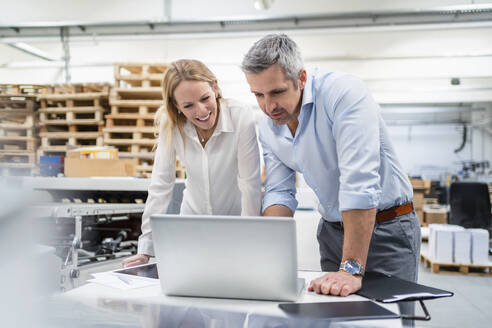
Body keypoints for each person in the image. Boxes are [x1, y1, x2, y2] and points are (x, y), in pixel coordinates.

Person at [241, 34, 421, 297]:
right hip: (332, 233)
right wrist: (267, 254)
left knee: (390, 320)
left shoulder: (343, 94)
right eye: (258, 95)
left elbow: (359, 182)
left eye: (277, 92)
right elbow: (279, 192)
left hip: (387, 230)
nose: (268, 106)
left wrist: (350, 268)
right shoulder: (269, 126)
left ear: (301, 78)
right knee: (337, 318)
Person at [123, 59, 262, 268]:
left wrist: (248, 239)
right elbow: (161, 185)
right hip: (191, 228)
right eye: (188, 105)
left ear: (215, 87)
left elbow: (249, 183)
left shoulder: (240, 115)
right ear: (176, 106)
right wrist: (145, 248)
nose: (201, 111)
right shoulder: (171, 125)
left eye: (205, 98)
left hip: (235, 226)